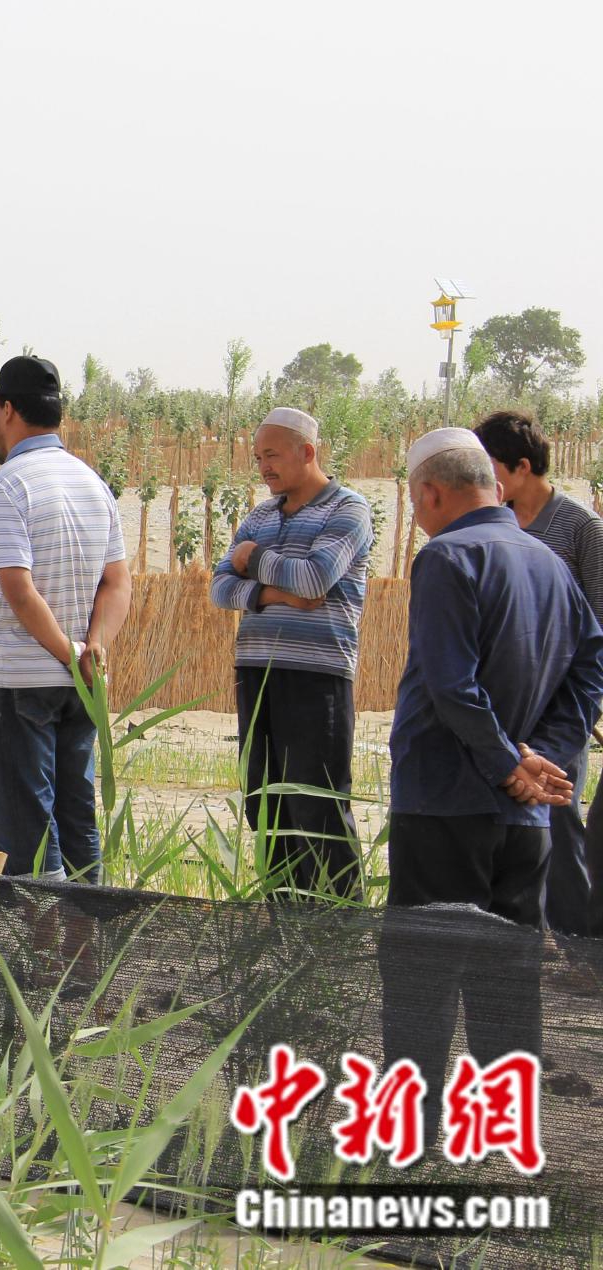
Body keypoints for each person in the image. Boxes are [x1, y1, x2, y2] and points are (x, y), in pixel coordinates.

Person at [380, 428, 603, 1120]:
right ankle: (505, 1138)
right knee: (509, 981)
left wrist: (511, 763)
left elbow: (451, 685)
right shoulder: (547, 564)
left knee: (423, 978)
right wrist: (546, 757)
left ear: (431, 492)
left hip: (443, 805)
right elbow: (590, 668)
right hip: (525, 821)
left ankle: (409, 1143)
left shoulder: (447, 558)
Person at [0, 354, 132, 881]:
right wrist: (93, 649)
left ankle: (41, 958)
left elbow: (17, 589)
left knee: (29, 832)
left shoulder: (8, 485)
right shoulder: (93, 483)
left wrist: (67, 652)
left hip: (19, 679)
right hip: (81, 681)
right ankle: (88, 955)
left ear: (8, 409)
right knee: (78, 822)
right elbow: (117, 581)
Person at [209, 407, 373, 901]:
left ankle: (341, 933)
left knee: (317, 806)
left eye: (273, 455)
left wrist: (252, 561)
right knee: (265, 803)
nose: (264, 467)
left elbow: (315, 579)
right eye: (258, 457)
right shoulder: (260, 515)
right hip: (257, 672)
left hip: (316, 675)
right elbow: (220, 588)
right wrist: (276, 594)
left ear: (308, 451)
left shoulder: (348, 509)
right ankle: (287, 929)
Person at [473, 409, 603, 935]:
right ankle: (526, 934)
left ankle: (576, 945)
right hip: (505, 701)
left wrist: (580, 706)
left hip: (559, 708)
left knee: (560, 815)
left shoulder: (581, 529)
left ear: (522, 467)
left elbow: (597, 621)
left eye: (491, 467)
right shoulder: (492, 527)